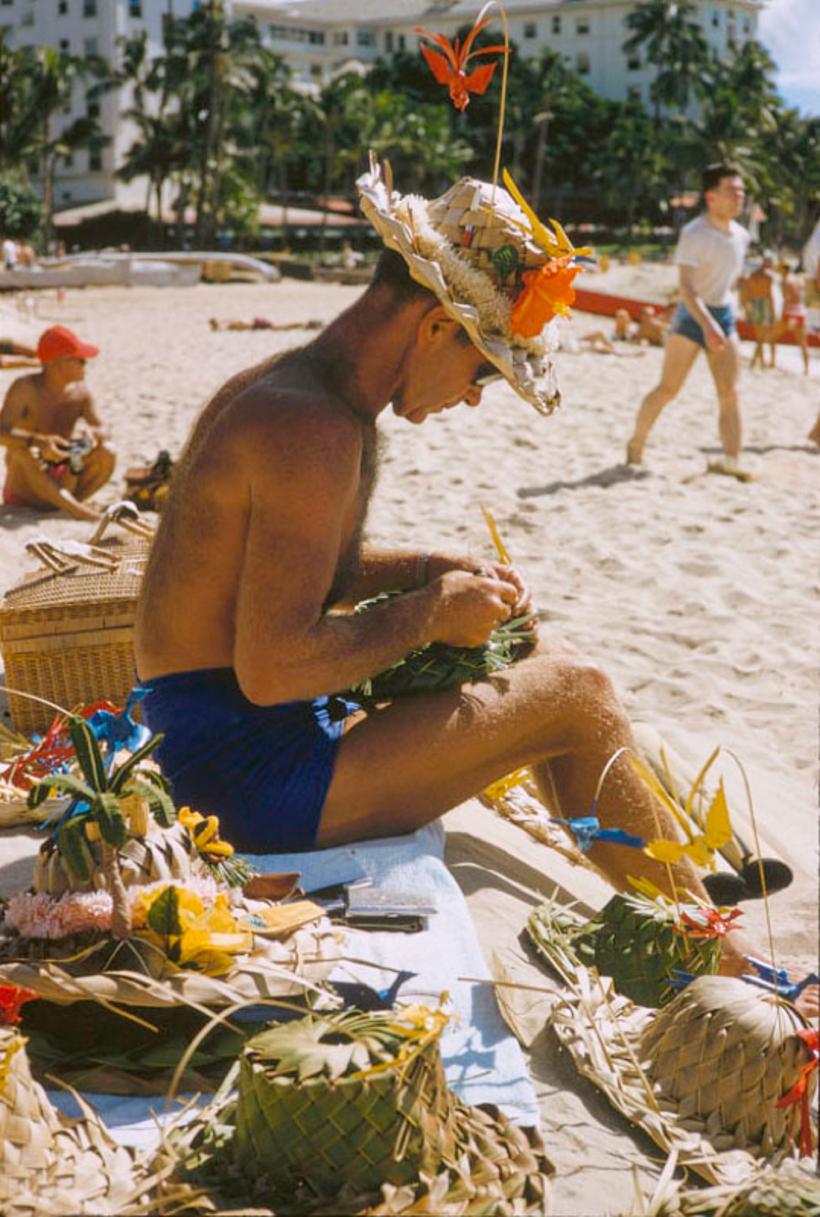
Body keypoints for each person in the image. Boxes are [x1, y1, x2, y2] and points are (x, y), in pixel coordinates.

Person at [135, 164, 765, 980]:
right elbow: (272, 666)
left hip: (209, 745)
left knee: (538, 658)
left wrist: (433, 565)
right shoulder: (313, 431)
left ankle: (677, 896)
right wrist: (429, 610)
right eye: (482, 371)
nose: (474, 398)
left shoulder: (284, 391)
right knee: (578, 694)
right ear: (435, 327)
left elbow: (282, 568)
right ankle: (721, 951)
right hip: (240, 784)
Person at [626, 163, 749, 471]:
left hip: (724, 315)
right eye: (732, 191)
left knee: (730, 393)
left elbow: (729, 282)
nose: (739, 197)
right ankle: (636, 444)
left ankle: (732, 462)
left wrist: (725, 317)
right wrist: (707, 325)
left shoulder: (742, 236)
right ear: (711, 196)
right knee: (669, 389)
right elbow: (686, 287)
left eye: (742, 191)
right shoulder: (695, 233)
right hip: (691, 317)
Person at [0, 325, 115, 520]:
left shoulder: (80, 393)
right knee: (20, 453)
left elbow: (102, 426)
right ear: (59, 365)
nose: (85, 365)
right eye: (80, 360)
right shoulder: (26, 388)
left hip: (65, 476)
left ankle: (67, 504)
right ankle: (77, 510)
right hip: (27, 485)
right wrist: (38, 441)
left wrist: (96, 434)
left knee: (108, 452)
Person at [739, 254, 777, 370]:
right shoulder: (768, 277)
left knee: (759, 335)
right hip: (764, 304)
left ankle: (760, 362)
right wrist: (773, 311)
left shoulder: (753, 274)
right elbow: (769, 295)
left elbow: (747, 292)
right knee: (762, 336)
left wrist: (746, 308)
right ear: (767, 263)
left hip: (754, 303)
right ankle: (754, 361)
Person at [774, 260, 809, 375]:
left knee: (772, 337)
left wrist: (781, 315)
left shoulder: (785, 281)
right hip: (800, 311)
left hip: (790, 312)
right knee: (802, 343)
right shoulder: (798, 279)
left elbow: (787, 298)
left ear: (783, 269)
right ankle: (806, 369)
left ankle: (772, 362)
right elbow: (801, 296)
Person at [209, 317, 323, 332]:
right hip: (256, 323)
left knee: (279, 327)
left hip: (256, 324)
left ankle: (304, 325)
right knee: (279, 327)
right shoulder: (226, 323)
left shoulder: (226, 324)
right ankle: (304, 325)